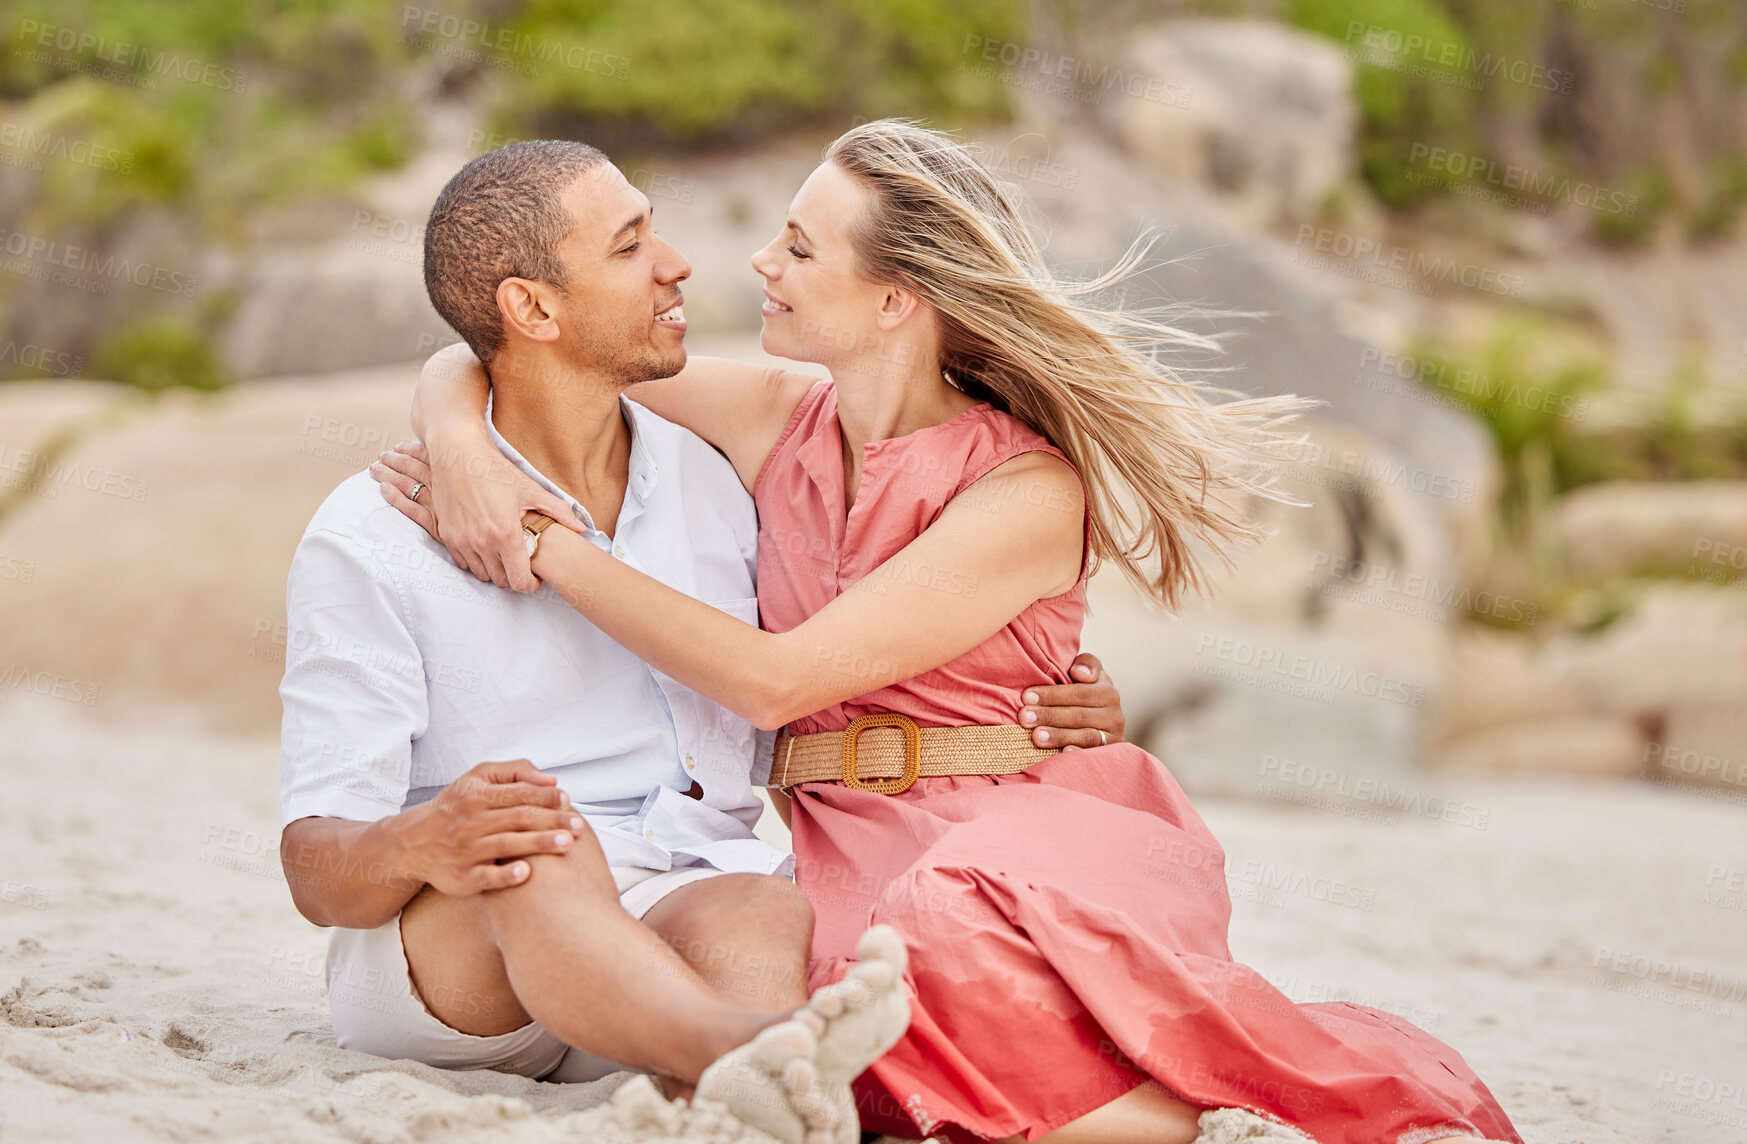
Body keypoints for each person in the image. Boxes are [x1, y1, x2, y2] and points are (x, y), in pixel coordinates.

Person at [381, 121, 1520, 1144]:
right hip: (840, 845)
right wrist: (462, 444)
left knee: (939, 929)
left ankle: (1193, 1118)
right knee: (834, 1012)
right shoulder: (776, 417)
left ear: (894, 300)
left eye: (799, 248)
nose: (759, 267)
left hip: (1015, 826)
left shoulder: (1025, 490)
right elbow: (518, 357)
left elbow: (776, 682)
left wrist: (550, 547)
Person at [280, 137, 1123, 1144]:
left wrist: (1027, 704)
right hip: (457, 964)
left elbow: (827, 662)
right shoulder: (378, 529)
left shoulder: (722, 485)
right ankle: (754, 1051)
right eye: (633, 243)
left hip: (669, 917)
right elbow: (313, 870)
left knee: (763, 911)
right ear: (536, 310)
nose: (682, 261)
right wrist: (428, 837)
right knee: (540, 843)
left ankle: (741, 1088)